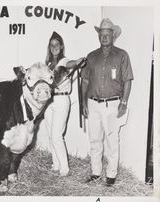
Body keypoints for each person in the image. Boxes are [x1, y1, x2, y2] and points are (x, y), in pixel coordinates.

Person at [81, 18, 134, 186]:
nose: (104, 37)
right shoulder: (91, 56)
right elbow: (85, 82)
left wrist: (123, 102)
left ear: (113, 36)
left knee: (112, 142)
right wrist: (83, 102)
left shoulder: (122, 55)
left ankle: (111, 176)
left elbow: (127, 80)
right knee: (95, 141)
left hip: (113, 105)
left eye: (107, 34)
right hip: (93, 104)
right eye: (101, 34)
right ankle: (96, 173)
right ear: (99, 36)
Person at [44, 31, 84, 176]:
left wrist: (78, 61)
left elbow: (71, 63)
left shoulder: (64, 61)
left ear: (61, 47)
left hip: (61, 100)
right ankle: (56, 165)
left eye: (57, 45)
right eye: (52, 45)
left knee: (56, 136)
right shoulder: (47, 64)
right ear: (49, 47)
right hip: (49, 101)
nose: (54, 47)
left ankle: (64, 170)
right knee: (50, 135)